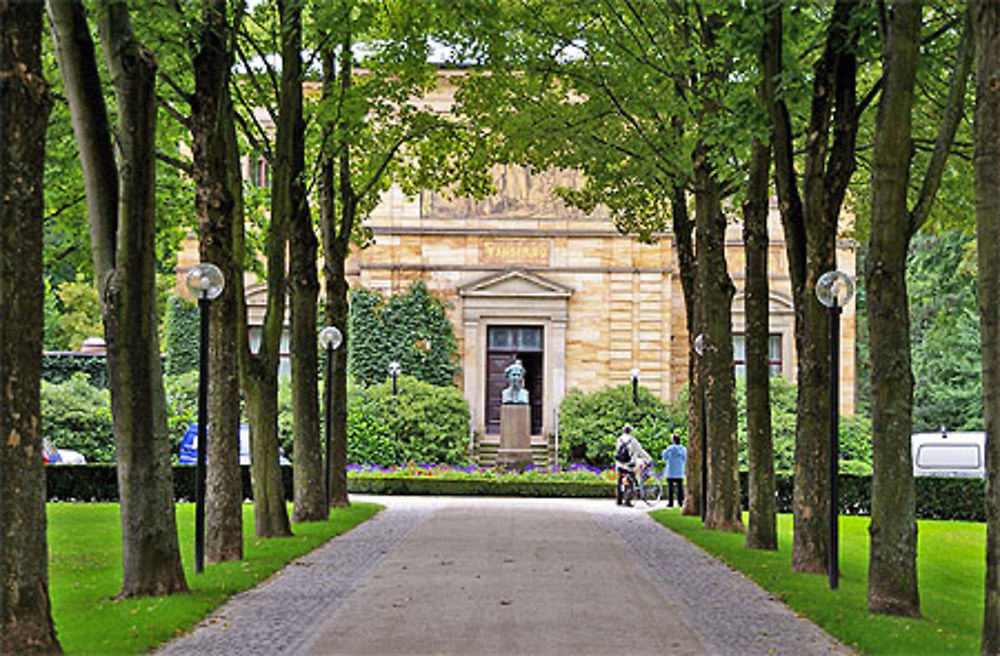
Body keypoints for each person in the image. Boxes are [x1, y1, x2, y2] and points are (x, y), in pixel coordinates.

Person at [614, 424, 650, 507]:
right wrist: (648, 458)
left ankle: (618, 500)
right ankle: (627, 501)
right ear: (630, 431)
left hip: (620, 464)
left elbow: (617, 450)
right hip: (629, 465)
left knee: (619, 482)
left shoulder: (619, 439)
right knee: (631, 482)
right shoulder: (633, 440)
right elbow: (640, 451)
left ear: (623, 431)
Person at [661, 432, 687, 507]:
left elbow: (664, 456)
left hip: (671, 470)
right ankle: (680, 502)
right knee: (680, 487)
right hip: (679, 470)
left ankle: (671, 502)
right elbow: (685, 458)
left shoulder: (669, 448)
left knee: (670, 487)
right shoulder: (683, 449)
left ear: (673, 440)